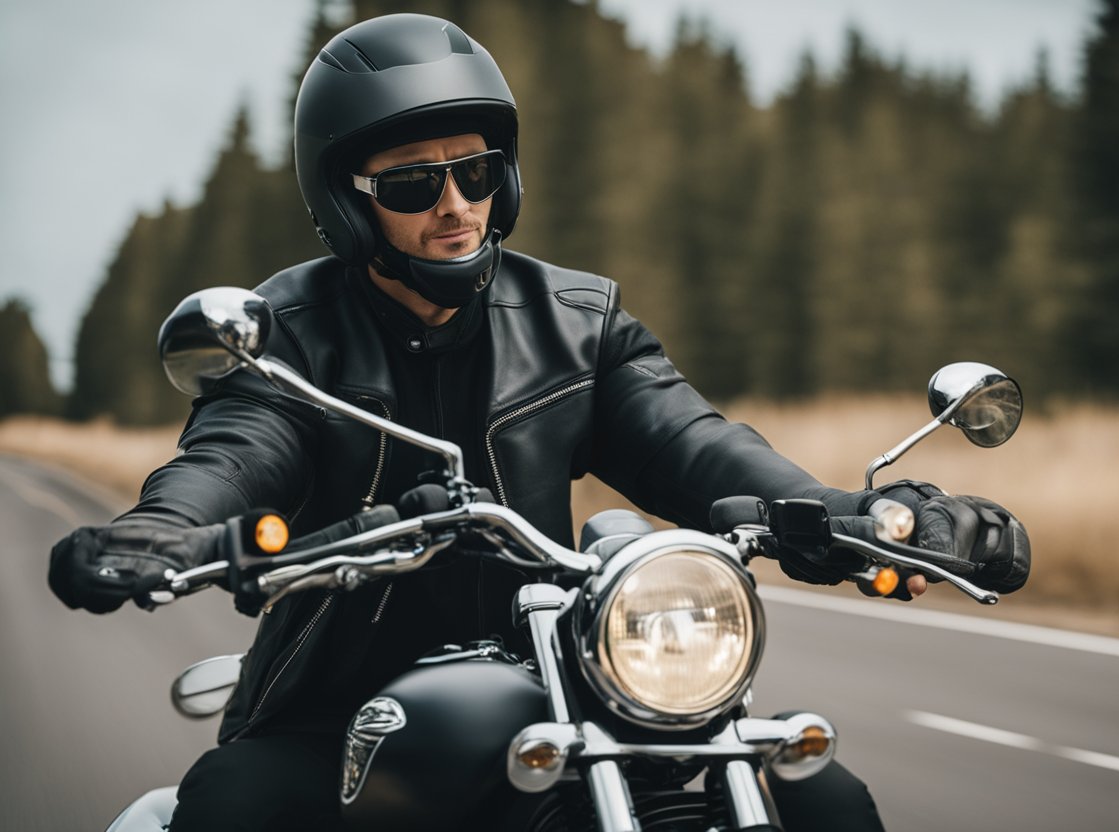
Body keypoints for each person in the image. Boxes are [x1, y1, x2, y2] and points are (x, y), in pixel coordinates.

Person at [47, 13, 1029, 831]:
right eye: (410, 185)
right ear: (348, 206)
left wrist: (862, 517)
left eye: (474, 173)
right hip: (336, 708)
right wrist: (160, 530)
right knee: (234, 805)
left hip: (572, 680)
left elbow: (696, 445)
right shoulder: (290, 337)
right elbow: (230, 454)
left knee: (817, 795)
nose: (455, 207)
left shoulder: (577, 323)